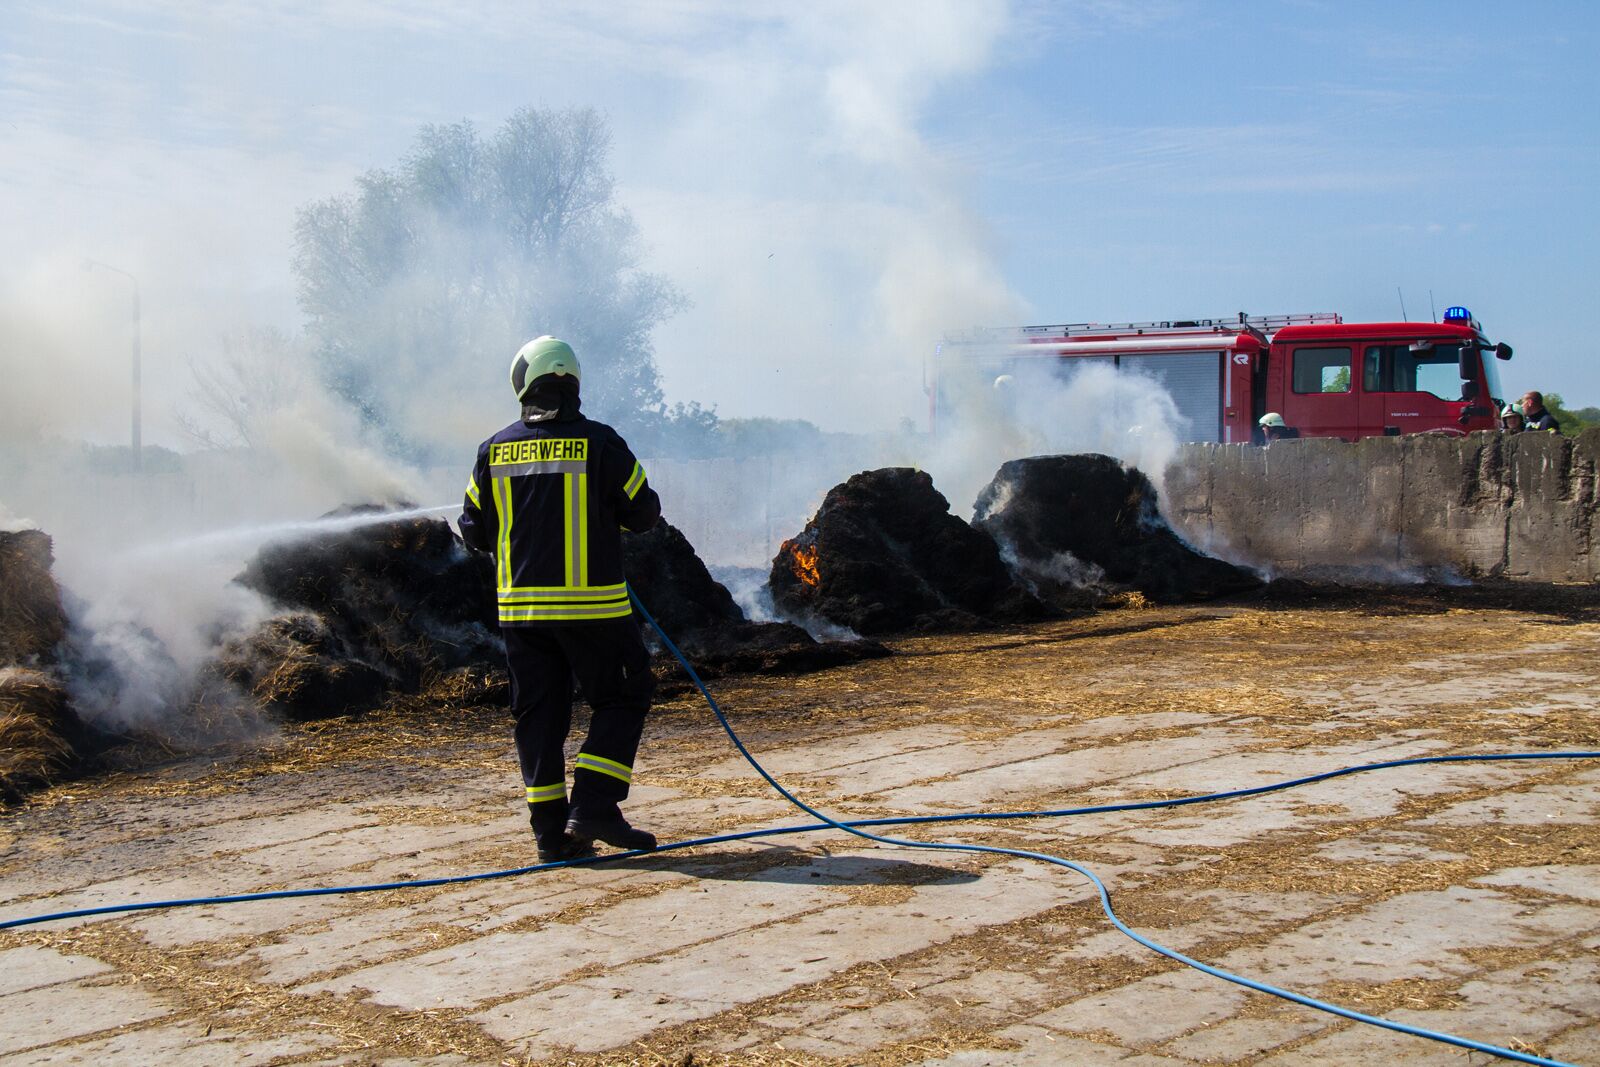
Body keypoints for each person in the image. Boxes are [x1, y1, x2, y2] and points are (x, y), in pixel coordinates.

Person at [459, 336, 663, 862]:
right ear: (571, 381)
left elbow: (474, 531)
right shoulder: (600, 442)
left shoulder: (494, 449)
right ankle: (594, 804)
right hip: (593, 610)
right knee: (622, 696)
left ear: (525, 382)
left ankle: (551, 836)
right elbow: (644, 512)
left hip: (521, 615)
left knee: (539, 718)